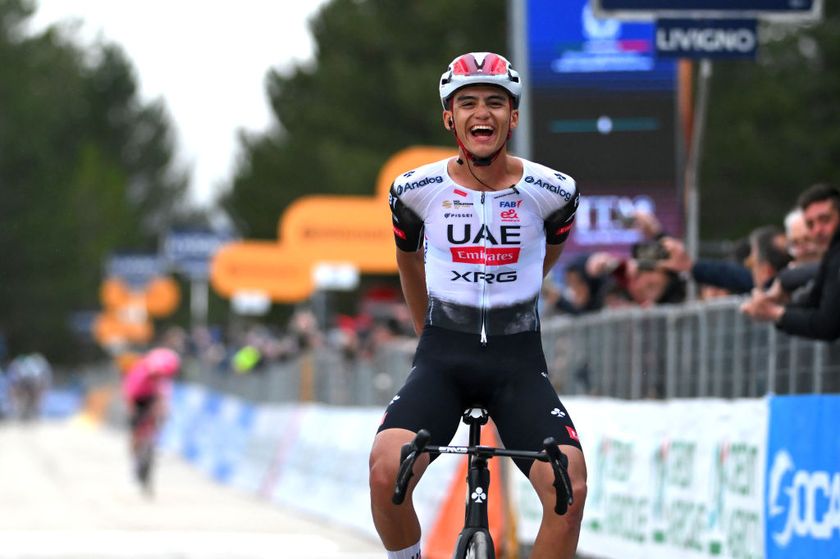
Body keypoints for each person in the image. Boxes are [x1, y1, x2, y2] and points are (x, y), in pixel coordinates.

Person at [369, 52, 586, 559]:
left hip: (518, 364)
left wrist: (517, 293)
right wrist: (429, 334)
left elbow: (545, 257)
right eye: (467, 103)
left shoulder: (554, 192)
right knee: (385, 468)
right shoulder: (414, 190)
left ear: (513, 116)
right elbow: (408, 265)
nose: (480, 113)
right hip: (443, 359)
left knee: (568, 483)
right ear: (450, 117)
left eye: (495, 102)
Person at [741, 183, 840, 341]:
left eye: (825, 219)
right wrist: (780, 305)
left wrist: (774, 311)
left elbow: (827, 325)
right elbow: (815, 301)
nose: (818, 230)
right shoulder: (831, 256)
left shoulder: (834, 257)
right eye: (810, 224)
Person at [121, 347, 181, 489]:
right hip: (138, 398)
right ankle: (135, 461)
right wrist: (134, 414)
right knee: (136, 429)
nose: (161, 378)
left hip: (153, 398)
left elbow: (164, 398)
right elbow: (130, 398)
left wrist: (163, 412)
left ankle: (152, 444)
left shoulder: (164, 378)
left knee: (159, 415)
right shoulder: (139, 376)